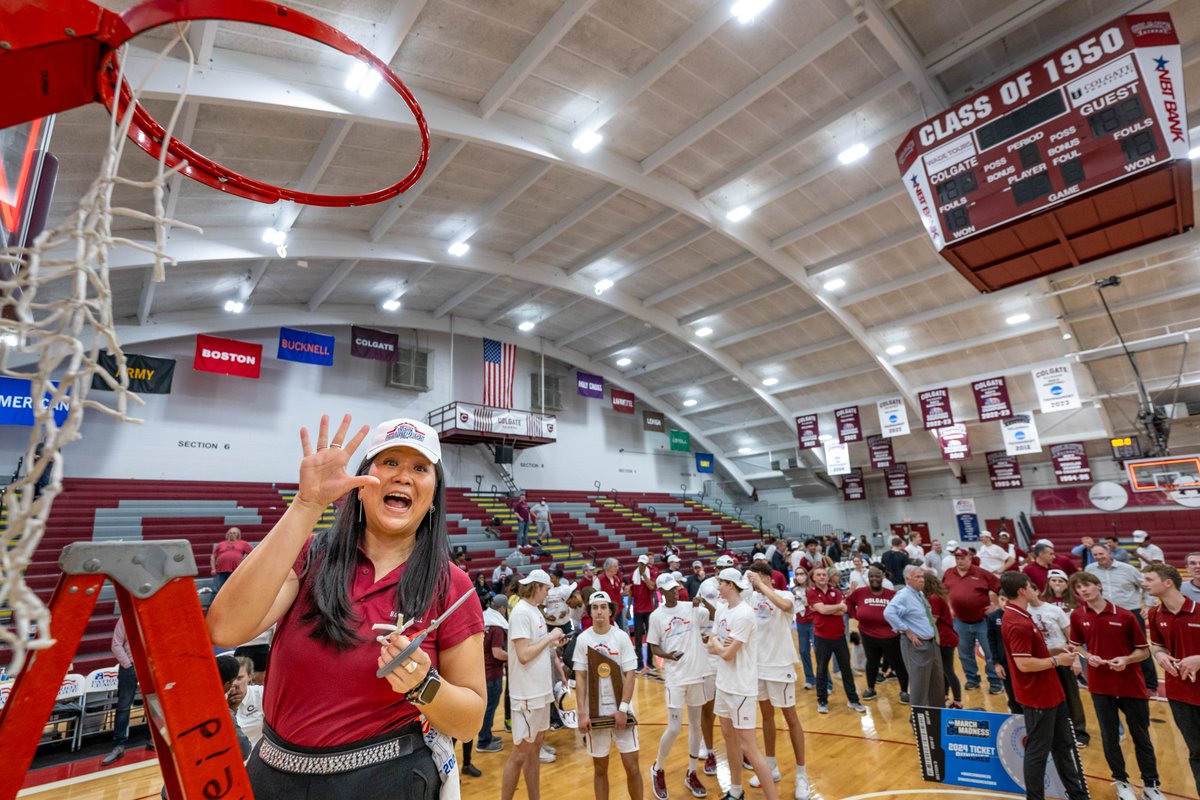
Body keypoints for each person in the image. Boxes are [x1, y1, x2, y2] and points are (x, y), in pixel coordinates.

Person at [205, 416, 484, 800]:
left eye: (420, 468)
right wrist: (306, 504)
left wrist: (424, 684)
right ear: (361, 485)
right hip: (274, 777)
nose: (403, 475)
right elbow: (226, 628)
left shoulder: (451, 584)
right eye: (389, 462)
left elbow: (469, 722)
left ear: (433, 495)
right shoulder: (310, 556)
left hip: (388, 782)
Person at [998, 572, 1089, 800]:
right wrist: (1058, 661)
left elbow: (1033, 654)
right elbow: (1024, 664)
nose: (1034, 589)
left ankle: (1077, 794)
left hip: (1051, 692)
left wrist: (1056, 650)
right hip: (1037, 696)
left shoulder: (1022, 615)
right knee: (1038, 751)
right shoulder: (1017, 622)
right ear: (1022, 590)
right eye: (1030, 586)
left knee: (1063, 745)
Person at [1068, 572, 1158, 800]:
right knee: (1110, 737)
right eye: (1079, 588)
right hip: (1100, 687)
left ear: (1098, 586)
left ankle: (1151, 785)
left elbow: (1144, 651)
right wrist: (1088, 657)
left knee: (1141, 737)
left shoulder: (1126, 616)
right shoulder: (1078, 616)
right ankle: (1121, 782)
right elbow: (1076, 646)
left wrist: (1126, 660)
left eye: (1087, 585)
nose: (1083, 591)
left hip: (1131, 686)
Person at [708, 568, 778, 800]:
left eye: (720, 582)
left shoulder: (745, 614)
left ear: (730, 585)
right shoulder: (722, 611)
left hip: (741, 688)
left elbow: (727, 654)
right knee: (728, 737)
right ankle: (736, 791)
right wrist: (719, 643)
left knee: (749, 746)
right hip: (724, 684)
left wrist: (718, 644)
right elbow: (712, 644)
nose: (717, 586)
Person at [745, 562, 809, 799]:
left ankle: (802, 774)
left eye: (756, 579)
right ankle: (771, 766)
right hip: (757, 667)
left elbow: (783, 606)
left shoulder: (784, 594)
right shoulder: (750, 598)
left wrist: (761, 584)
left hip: (779, 665)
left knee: (790, 717)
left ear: (765, 577)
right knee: (767, 716)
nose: (753, 584)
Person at [647, 573, 712, 800]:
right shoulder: (656, 616)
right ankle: (658, 768)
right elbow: (653, 647)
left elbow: (712, 615)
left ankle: (692, 773)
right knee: (674, 728)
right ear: (661, 592)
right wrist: (669, 656)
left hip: (697, 675)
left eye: (676, 587)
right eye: (671, 589)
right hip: (675, 678)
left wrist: (702, 602)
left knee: (695, 726)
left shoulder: (690, 607)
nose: (676, 590)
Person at [574, 590, 642, 800]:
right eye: (595, 608)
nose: (599, 612)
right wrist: (582, 713)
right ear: (590, 612)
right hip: (596, 714)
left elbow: (630, 675)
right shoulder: (583, 639)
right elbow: (581, 678)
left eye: (603, 607)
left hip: (620, 710)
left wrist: (622, 709)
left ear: (610, 611)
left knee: (632, 767)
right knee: (600, 769)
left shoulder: (621, 637)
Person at [502, 569, 564, 800]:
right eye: (547, 589)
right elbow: (523, 655)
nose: (548, 594)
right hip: (527, 694)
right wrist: (549, 638)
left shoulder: (534, 612)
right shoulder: (521, 613)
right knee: (520, 753)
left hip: (540, 692)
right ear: (537, 586)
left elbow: (533, 648)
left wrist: (551, 643)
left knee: (534, 750)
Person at [1144, 563, 1200, 795]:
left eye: (1149, 579)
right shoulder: (1155, 613)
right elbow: (1156, 644)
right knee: (1197, 752)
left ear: (1168, 582)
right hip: (1180, 695)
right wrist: (1160, 655)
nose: (1144, 583)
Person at [1086, 543, 1158, 694]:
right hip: (1103, 615)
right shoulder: (1090, 570)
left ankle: (1150, 684)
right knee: (1111, 647)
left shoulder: (1128, 569)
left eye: (1101, 554)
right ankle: (1120, 680)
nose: (1099, 557)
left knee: (1141, 648)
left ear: (1109, 553)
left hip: (1130, 613)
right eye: (1095, 555)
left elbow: (1145, 586)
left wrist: (1149, 605)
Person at [1028, 580, 1088, 749]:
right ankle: (1054, 732)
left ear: (1036, 591)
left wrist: (1076, 660)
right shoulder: (1023, 612)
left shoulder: (1054, 610)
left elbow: (1072, 638)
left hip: (1062, 659)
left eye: (1029, 589)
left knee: (1071, 696)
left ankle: (1079, 732)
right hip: (1040, 661)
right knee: (1046, 698)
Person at [942, 546, 1004, 694]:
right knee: (964, 653)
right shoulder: (949, 573)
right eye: (957, 558)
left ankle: (995, 681)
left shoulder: (981, 573)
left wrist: (996, 606)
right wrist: (948, 607)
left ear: (970, 558)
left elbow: (1001, 589)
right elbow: (943, 591)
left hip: (983, 621)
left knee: (990, 653)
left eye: (963, 558)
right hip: (960, 621)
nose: (960, 561)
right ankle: (972, 679)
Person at [807, 565, 866, 714]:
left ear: (827, 577)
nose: (822, 577)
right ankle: (822, 701)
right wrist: (836, 607)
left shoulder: (836, 592)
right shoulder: (811, 593)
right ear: (813, 578)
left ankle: (853, 700)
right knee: (821, 670)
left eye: (823, 575)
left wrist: (829, 608)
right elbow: (823, 610)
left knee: (846, 670)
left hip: (839, 637)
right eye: (818, 575)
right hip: (822, 638)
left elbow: (842, 611)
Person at [882, 565, 942, 708]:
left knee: (937, 683)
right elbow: (888, 613)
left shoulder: (918, 594)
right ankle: (919, 721)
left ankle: (937, 717)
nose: (922, 580)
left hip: (931, 643)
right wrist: (906, 631)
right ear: (908, 579)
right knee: (919, 686)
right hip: (917, 646)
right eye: (917, 577)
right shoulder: (903, 595)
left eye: (922, 577)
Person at [848, 566, 908, 703]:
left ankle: (904, 691)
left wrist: (899, 626)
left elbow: (903, 610)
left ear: (883, 577)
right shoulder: (860, 593)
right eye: (871, 576)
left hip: (890, 636)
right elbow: (849, 602)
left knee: (898, 663)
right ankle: (871, 688)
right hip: (868, 634)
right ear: (868, 578)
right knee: (872, 662)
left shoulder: (892, 594)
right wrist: (855, 615)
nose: (874, 579)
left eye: (877, 576)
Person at [101, 616, 139, 766]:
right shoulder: (126, 618)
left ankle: (153, 740)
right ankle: (119, 745)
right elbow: (115, 644)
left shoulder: (155, 615)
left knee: (154, 703)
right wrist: (128, 665)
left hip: (150, 666)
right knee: (123, 706)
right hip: (129, 667)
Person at [923, 572, 961, 708]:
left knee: (948, 670)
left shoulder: (934, 599)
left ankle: (957, 701)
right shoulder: (935, 598)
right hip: (943, 637)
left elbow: (932, 620)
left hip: (945, 638)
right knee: (943, 671)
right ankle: (945, 696)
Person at [478, 595, 509, 754]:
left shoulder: (486, 623)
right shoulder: (497, 628)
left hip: (483, 670)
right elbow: (497, 653)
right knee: (490, 708)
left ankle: (487, 734)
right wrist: (514, 656)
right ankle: (484, 741)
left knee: (488, 707)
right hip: (493, 673)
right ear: (502, 608)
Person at [791, 568, 821, 692]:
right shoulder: (793, 590)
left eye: (801, 574)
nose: (799, 576)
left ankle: (824, 680)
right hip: (801, 622)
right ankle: (810, 679)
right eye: (797, 574)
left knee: (818, 650)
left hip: (813, 621)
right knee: (803, 651)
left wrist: (804, 600)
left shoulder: (813, 589)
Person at [631, 554, 660, 672]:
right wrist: (628, 609)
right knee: (638, 638)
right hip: (637, 610)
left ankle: (649, 662)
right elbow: (631, 592)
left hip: (649, 610)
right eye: (640, 564)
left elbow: (652, 587)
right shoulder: (632, 575)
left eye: (643, 564)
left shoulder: (651, 573)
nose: (642, 566)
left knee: (650, 637)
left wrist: (644, 575)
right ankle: (639, 663)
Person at [210, 527, 253, 595]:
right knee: (216, 590)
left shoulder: (243, 544)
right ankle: (214, 605)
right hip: (220, 571)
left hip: (235, 571)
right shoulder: (221, 544)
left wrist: (244, 564)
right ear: (227, 534)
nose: (232, 534)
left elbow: (253, 554)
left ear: (237, 534)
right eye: (230, 533)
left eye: (234, 533)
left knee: (234, 590)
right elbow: (213, 556)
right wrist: (213, 569)